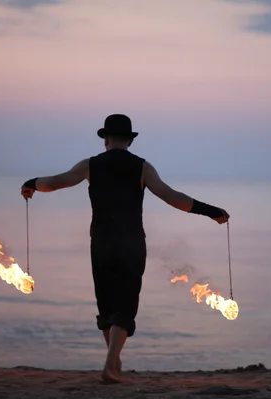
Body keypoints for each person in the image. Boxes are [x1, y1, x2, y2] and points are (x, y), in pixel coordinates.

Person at [20, 114, 229, 383]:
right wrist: (210, 211)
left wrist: (30, 184)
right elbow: (173, 198)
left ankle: (113, 363)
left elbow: (56, 182)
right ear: (129, 141)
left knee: (107, 304)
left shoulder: (90, 165)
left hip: (101, 242)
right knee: (125, 304)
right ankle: (110, 366)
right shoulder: (142, 167)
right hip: (131, 242)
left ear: (105, 139)